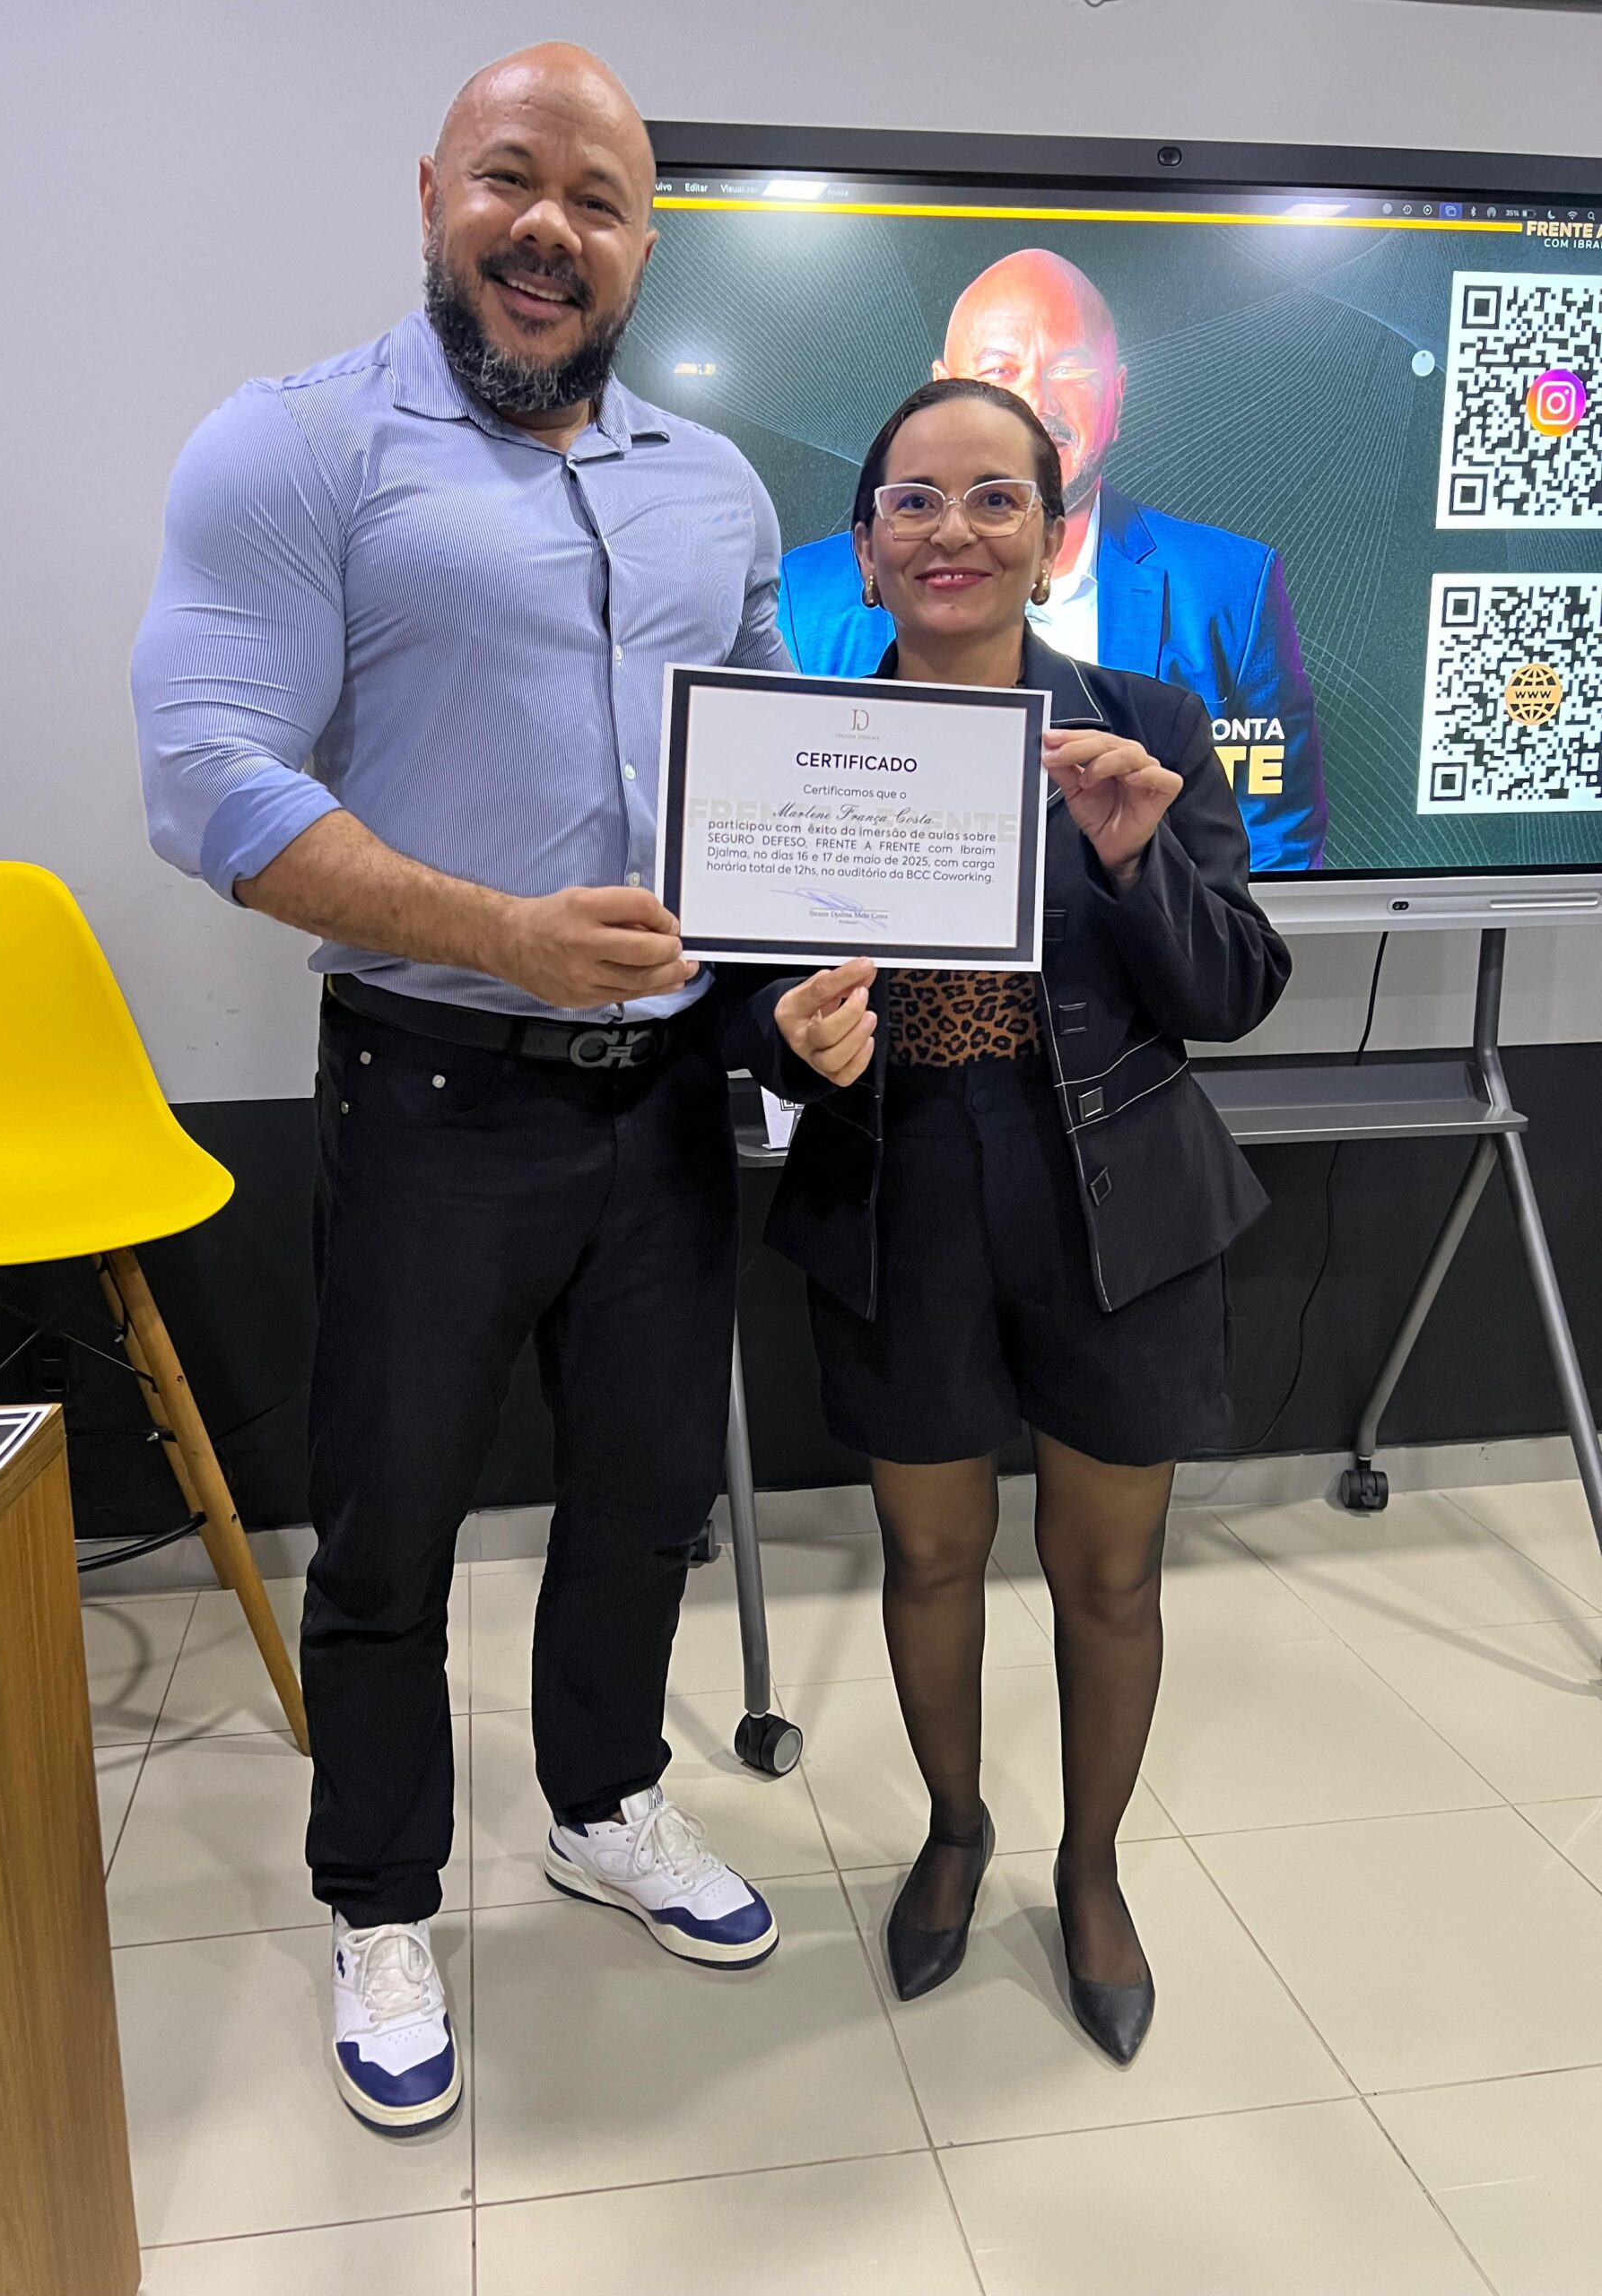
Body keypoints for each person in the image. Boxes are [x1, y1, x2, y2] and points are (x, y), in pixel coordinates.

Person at [132, 45, 786, 2137]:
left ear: (645, 245)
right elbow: (207, 777)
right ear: (433, 190)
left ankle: (602, 1800)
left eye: (600, 201)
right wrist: (498, 929)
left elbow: (769, 783)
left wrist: (844, 945)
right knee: (392, 1521)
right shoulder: (293, 446)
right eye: (514, 179)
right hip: (431, 1085)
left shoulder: (719, 488)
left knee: (643, 1491)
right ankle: (379, 1895)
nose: (550, 231)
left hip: (670, 1101)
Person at [726, 378, 1290, 2062]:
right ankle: (956, 1829)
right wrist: (791, 1043)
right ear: (864, 549)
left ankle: (1091, 1867)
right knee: (928, 1552)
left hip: (1112, 1196)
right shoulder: (808, 749)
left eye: (995, 499)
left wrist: (1135, 860)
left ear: (1051, 540)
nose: (951, 530)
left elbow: (1234, 990)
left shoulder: (1147, 722)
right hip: (899, 1194)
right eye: (913, 500)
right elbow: (753, 996)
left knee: (1108, 1572)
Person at [778, 249, 1328, 874]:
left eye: (1071, 370)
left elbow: (1273, 863)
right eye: (1000, 369)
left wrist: (1137, 869)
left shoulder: (1231, 589)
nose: (1037, 403)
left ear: (1117, 394)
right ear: (940, 389)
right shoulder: (805, 602)